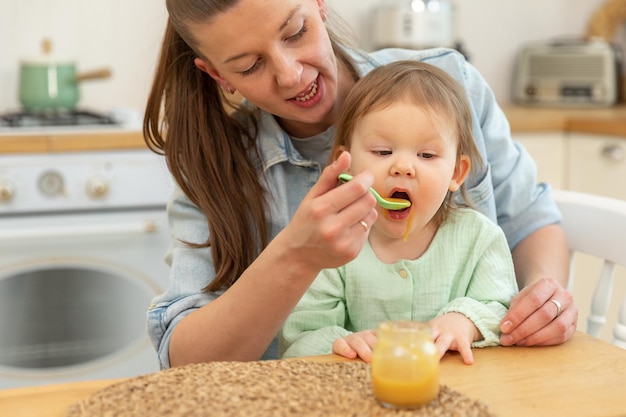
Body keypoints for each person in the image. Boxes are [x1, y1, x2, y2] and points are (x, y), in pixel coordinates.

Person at [143, 0, 576, 369]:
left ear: (318, 4)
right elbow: (185, 361)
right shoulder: (214, 164)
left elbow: (531, 220)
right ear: (218, 75)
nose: (291, 75)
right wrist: (294, 256)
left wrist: (541, 304)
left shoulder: (451, 84)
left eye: (296, 32)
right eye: (250, 65)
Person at [279, 60, 519, 365]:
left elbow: (502, 308)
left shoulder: (480, 238)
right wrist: (341, 342)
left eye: (426, 155)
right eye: (382, 152)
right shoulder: (331, 247)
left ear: (456, 173)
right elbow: (300, 337)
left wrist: (465, 321)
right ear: (346, 163)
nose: (403, 167)